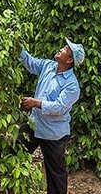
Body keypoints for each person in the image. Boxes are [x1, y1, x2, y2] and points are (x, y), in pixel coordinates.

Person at [17, 38, 85, 194]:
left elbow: (59, 107)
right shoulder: (48, 66)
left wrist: (36, 103)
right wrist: (17, 46)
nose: (61, 49)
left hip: (53, 134)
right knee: (15, 152)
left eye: (66, 50)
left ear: (69, 60)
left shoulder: (72, 85)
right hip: (34, 124)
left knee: (56, 175)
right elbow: (30, 62)